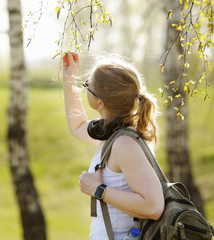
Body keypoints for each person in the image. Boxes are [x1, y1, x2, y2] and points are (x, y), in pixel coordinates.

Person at [62, 52, 165, 240]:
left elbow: (153, 206)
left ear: (100, 102)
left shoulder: (124, 144)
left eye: (87, 86)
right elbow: (77, 127)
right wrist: (69, 80)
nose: (85, 88)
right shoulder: (115, 133)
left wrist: (98, 189)